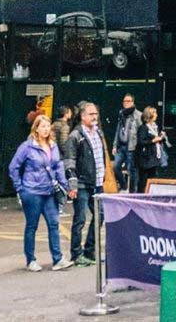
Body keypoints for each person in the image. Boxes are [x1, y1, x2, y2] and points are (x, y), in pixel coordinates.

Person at [8, 117, 72, 271]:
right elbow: (13, 167)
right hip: (32, 191)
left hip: (49, 191)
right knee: (32, 226)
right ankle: (31, 260)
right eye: (42, 126)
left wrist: (65, 185)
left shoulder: (53, 145)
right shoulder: (27, 147)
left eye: (48, 126)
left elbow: (58, 166)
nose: (46, 129)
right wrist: (20, 188)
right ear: (36, 128)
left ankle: (58, 259)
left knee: (54, 224)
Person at [67, 101, 106, 267]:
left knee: (100, 215)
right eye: (91, 114)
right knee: (80, 219)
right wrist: (72, 184)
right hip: (82, 183)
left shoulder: (98, 132)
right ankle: (76, 254)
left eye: (96, 113)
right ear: (83, 117)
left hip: (97, 182)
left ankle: (90, 251)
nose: (95, 116)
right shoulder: (76, 135)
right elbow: (69, 160)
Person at [113, 94, 141, 193]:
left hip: (131, 147)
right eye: (124, 101)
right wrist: (114, 145)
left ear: (133, 102)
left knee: (131, 170)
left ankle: (133, 191)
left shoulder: (138, 115)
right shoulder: (121, 114)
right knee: (116, 166)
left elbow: (140, 131)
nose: (126, 103)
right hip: (121, 146)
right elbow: (118, 130)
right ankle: (124, 186)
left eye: (128, 101)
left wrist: (137, 146)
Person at [136, 106, 167, 181]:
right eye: (154, 113)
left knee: (153, 178)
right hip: (146, 158)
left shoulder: (155, 127)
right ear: (149, 115)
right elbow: (140, 141)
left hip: (155, 157)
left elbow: (157, 139)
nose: (156, 115)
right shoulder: (143, 128)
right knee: (144, 179)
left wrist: (161, 137)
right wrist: (153, 141)